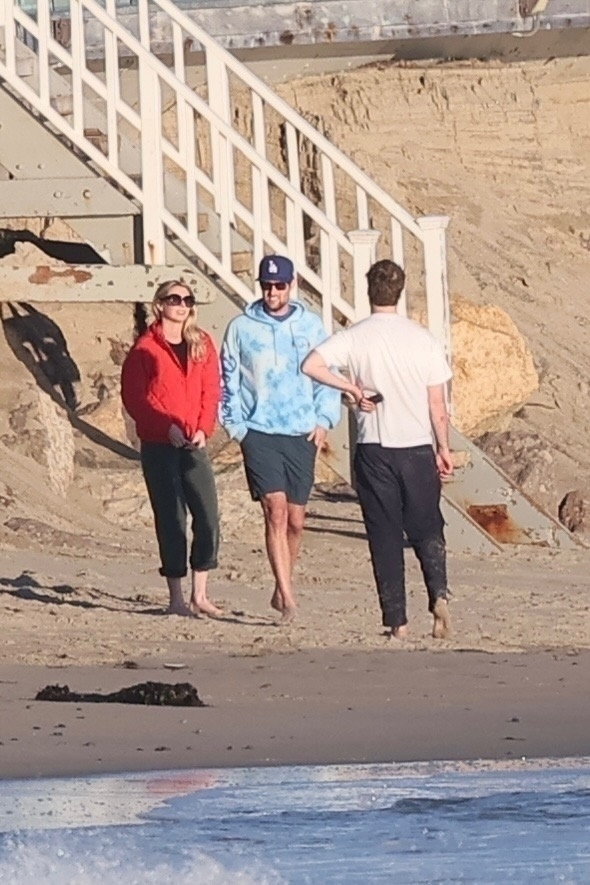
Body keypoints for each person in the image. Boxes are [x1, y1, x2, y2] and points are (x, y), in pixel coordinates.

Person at [302, 259, 453, 640]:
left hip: (375, 447)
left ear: (370, 292)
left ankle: (397, 622)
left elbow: (311, 364)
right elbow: (438, 405)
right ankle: (438, 593)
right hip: (417, 445)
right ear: (399, 293)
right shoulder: (423, 338)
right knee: (427, 527)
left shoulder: (356, 335)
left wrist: (351, 389)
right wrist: (444, 448)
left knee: (384, 535)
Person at [219, 254, 341, 621]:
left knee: (296, 519)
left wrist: (324, 420)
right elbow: (228, 380)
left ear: (292, 286)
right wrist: (237, 427)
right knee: (274, 511)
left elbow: (327, 374)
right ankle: (288, 598)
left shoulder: (311, 326)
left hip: (301, 430)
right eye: (267, 285)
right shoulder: (241, 327)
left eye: (280, 286)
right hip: (259, 432)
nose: (273, 292)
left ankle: (282, 580)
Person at [121, 279, 222, 617]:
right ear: (160, 304)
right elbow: (136, 399)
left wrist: (204, 429)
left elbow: (211, 391)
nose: (181, 305)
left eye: (187, 299)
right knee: (171, 518)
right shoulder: (145, 349)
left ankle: (201, 593)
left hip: (194, 442)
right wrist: (167, 426)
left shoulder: (202, 343)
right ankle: (176, 596)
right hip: (159, 444)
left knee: (207, 515)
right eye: (174, 298)